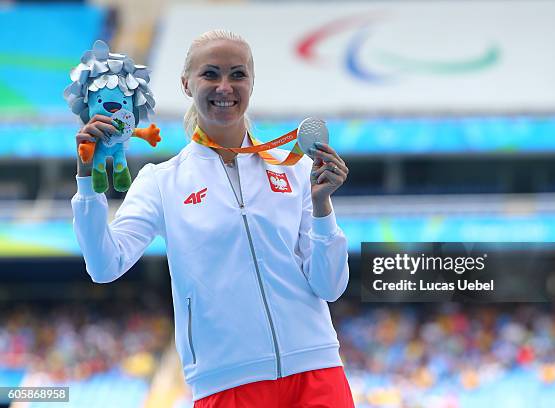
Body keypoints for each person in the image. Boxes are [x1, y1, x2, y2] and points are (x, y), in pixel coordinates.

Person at [71, 29, 354, 407]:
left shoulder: (295, 170)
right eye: (211, 74)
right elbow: (105, 265)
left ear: (252, 83)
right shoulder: (162, 181)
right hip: (227, 384)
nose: (225, 86)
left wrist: (323, 209)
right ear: (186, 84)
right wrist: (87, 183)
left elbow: (330, 287)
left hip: (318, 373)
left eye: (237, 74)